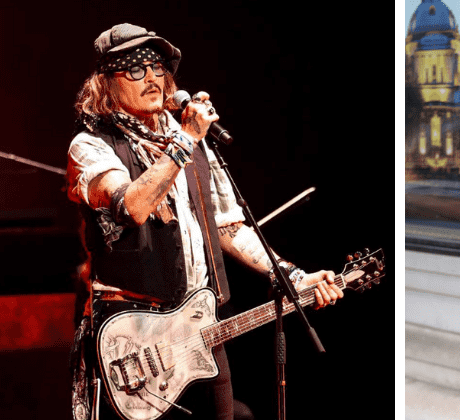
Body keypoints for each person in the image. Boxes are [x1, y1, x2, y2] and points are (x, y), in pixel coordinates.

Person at [66, 23, 344, 420]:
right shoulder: (91, 145)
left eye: (159, 67)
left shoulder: (191, 145)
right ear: (107, 83)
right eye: (135, 69)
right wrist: (186, 139)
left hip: (199, 329)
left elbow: (228, 228)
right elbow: (132, 206)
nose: (152, 78)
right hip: (132, 341)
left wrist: (292, 276)